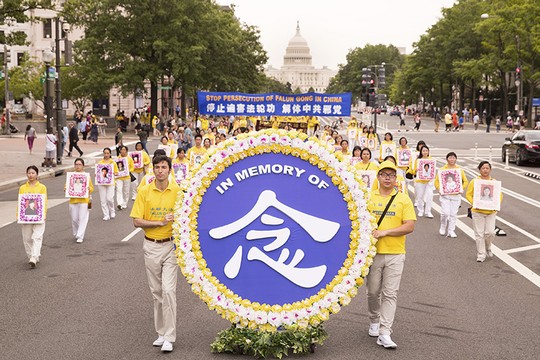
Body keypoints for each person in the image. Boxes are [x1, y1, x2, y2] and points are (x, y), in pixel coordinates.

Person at [130, 155, 181, 353]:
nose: (160, 170)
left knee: (169, 290)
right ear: (153, 170)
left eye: (164, 167)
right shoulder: (144, 191)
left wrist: (177, 218)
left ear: (169, 170)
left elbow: (188, 215)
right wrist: (159, 222)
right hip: (151, 246)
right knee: (156, 292)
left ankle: (169, 336)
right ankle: (161, 333)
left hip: (171, 246)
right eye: (157, 167)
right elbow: (136, 221)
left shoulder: (178, 191)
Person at [366, 160, 416, 349]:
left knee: (390, 293)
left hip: (396, 253)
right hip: (373, 253)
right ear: (378, 177)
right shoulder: (368, 198)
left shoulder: (403, 199)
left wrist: (385, 232)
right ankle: (374, 320)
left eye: (391, 175)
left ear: (396, 179)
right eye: (384, 174)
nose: (388, 178)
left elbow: (409, 226)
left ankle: (385, 332)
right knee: (372, 292)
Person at [466, 161, 503, 262]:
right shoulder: (475, 181)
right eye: (483, 168)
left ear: (490, 170)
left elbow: (499, 195)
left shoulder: (494, 182)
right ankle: (481, 254)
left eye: (487, 168)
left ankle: (488, 246)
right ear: (479, 169)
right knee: (479, 234)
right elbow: (468, 194)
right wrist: (474, 203)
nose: (485, 170)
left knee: (490, 233)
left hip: (490, 212)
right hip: (477, 211)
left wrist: (496, 204)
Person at [19, 165, 47, 268]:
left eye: (33, 173)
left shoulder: (42, 187)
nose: (31, 175)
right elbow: (21, 203)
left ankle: (34, 257)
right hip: (26, 216)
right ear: (26, 174)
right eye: (29, 173)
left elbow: (44, 202)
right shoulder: (22, 188)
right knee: (27, 238)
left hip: (39, 216)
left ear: (37, 174)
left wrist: (44, 214)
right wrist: (19, 215)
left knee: (37, 236)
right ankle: (32, 255)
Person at [435, 152, 468, 238]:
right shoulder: (442, 170)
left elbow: (465, 181)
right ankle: (443, 226)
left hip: (456, 195)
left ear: (456, 159)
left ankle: (451, 230)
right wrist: (440, 189)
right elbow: (437, 182)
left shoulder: (459, 170)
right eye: (450, 158)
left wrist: (461, 188)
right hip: (445, 196)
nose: (452, 159)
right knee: (445, 213)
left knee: (453, 214)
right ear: (447, 159)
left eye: (453, 158)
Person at [68, 158, 93, 243]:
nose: (78, 166)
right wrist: (66, 188)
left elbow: (91, 188)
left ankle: (80, 235)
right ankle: (78, 231)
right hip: (73, 200)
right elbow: (67, 186)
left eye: (80, 164)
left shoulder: (86, 176)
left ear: (83, 166)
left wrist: (89, 189)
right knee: (74, 219)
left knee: (82, 218)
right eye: (76, 164)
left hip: (84, 200)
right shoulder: (71, 176)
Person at [408, 145, 434, 218]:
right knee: (420, 196)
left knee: (429, 196)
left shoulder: (431, 160)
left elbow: (433, 170)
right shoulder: (418, 160)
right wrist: (415, 171)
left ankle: (428, 211)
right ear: (421, 152)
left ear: (428, 151)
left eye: (426, 150)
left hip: (429, 182)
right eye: (423, 151)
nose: (425, 152)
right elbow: (414, 170)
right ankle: (420, 210)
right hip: (420, 181)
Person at [96, 148, 119, 221]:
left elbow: (116, 172)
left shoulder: (113, 163)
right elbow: (98, 172)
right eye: (105, 153)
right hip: (102, 183)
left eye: (107, 153)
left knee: (109, 198)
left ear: (110, 154)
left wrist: (113, 173)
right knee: (103, 200)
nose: (106, 155)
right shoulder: (100, 163)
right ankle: (106, 214)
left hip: (110, 183)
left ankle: (112, 211)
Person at [116, 145, 135, 210]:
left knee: (126, 191)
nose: (123, 151)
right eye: (122, 150)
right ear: (120, 150)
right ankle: (119, 203)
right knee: (119, 189)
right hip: (119, 177)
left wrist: (128, 170)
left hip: (127, 177)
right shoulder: (117, 159)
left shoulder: (129, 158)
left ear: (126, 151)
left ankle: (125, 203)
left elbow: (132, 167)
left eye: (124, 150)